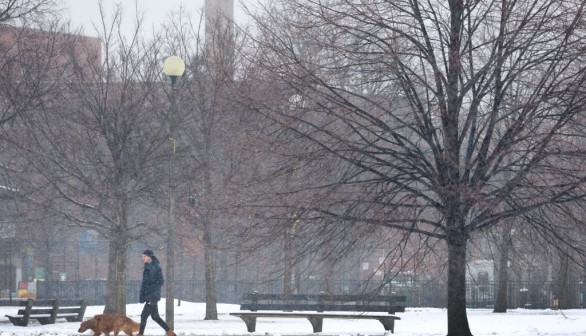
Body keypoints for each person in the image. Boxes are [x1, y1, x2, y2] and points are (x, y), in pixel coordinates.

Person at [137, 249, 176, 336]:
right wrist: (142, 295)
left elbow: (161, 281)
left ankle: (140, 334)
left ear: (149, 257)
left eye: (144, 256)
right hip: (148, 296)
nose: (142, 258)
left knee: (143, 316)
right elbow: (144, 283)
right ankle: (170, 333)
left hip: (153, 296)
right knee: (155, 317)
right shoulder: (146, 267)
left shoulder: (156, 267)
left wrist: (150, 290)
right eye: (142, 256)